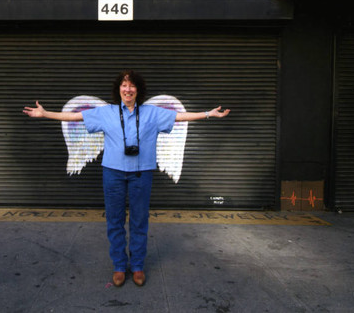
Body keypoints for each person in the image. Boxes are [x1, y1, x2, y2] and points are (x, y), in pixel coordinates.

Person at [23, 70, 230, 287]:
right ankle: (120, 266)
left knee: (140, 220)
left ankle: (138, 266)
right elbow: (75, 116)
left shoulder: (152, 112)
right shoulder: (106, 112)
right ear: (118, 90)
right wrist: (45, 114)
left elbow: (180, 116)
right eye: (124, 85)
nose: (128, 89)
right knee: (115, 221)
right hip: (113, 174)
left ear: (137, 90)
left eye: (131, 85)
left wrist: (209, 113)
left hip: (142, 174)